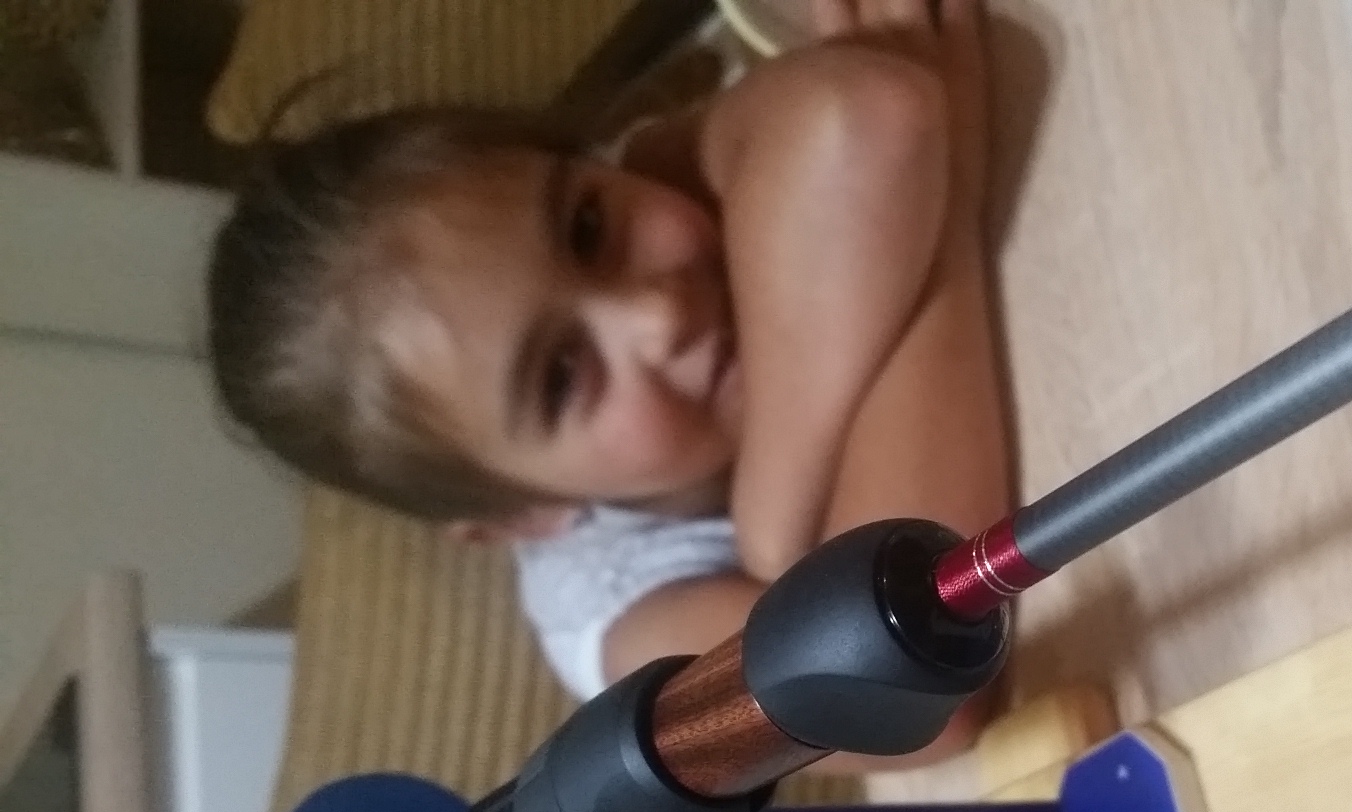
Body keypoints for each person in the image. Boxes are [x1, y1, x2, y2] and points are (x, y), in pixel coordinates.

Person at [207, 0, 1011, 765]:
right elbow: (915, 688)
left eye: (588, 229)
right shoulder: (619, 620)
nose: (659, 312)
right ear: (518, 514)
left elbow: (872, 111)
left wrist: (778, 498)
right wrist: (948, 206)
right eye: (560, 377)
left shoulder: (663, 168)